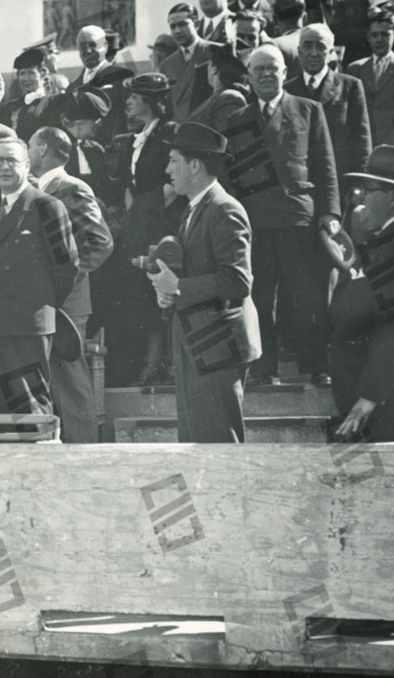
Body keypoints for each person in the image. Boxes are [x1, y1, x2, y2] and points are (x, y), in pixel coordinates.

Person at [224, 44, 339, 387]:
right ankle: (264, 370)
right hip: (256, 221)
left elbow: (326, 165)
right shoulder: (237, 120)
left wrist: (329, 212)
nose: (265, 74)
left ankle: (316, 366)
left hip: (298, 217)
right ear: (248, 77)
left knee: (307, 295)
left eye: (272, 68)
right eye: (258, 69)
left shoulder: (308, 109)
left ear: (285, 73)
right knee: (260, 298)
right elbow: (230, 176)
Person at [147, 122, 260, 442]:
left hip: (217, 345)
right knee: (199, 442)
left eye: (173, 160)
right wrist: (168, 291)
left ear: (194, 165)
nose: (168, 169)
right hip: (200, 343)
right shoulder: (196, 208)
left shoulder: (224, 209)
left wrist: (179, 287)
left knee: (218, 444)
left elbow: (239, 281)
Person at [330, 146, 394, 442]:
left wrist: (368, 398)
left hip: (391, 404)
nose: (360, 197)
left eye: (368, 189)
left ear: (393, 197)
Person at [0, 138, 78, 414]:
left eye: (12, 160)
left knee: (31, 407)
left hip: (26, 325)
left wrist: (38, 305)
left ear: (27, 165)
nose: (4, 167)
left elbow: (66, 267)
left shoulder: (47, 207)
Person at [27, 128, 114, 442]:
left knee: (71, 387)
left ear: (43, 148)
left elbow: (101, 242)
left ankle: (83, 454)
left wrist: (64, 280)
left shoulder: (71, 187)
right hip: (42, 304)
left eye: (29, 144)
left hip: (67, 305)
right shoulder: (33, 189)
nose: (26, 151)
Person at [111, 73, 180, 385]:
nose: (129, 101)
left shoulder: (170, 133)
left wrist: (146, 211)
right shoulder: (133, 138)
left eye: (136, 96)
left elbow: (174, 185)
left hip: (164, 223)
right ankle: (150, 362)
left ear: (152, 101)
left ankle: (163, 362)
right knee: (140, 294)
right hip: (140, 225)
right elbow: (129, 184)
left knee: (162, 290)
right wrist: (134, 217)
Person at [287, 23, 372, 185]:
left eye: (321, 47)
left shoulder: (350, 86)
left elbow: (362, 139)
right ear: (299, 51)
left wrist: (360, 184)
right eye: (307, 46)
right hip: (301, 182)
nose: (313, 53)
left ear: (331, 53)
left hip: (340, 179)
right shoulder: (287, 90)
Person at [346, 11, 394, 152]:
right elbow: (352, 112)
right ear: (368, 37)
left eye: (385, 35)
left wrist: (388, 144)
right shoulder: (355, 69)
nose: (379, 40)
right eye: (374, 35)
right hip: (365, 145)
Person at [159, 3, 213, 123]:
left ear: (197, 24)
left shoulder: (216, 52)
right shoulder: (166, 65)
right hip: (180, 133)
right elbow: (167, 108)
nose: (177, 31)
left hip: (209, 129)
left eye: (182, 24)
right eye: (173, 26)